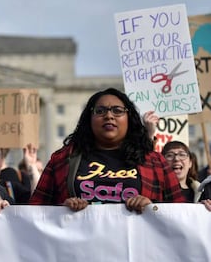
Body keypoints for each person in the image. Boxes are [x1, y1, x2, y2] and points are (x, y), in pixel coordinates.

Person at [29, 88, 185, 213]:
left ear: (129, 118)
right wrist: (61, 210)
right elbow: (35, 211)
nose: (109, 116)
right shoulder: (63, 159)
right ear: (89, 119)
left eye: (117, 111)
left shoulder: (154, 161)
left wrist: (152, 207)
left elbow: (181, 212)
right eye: (100, 111)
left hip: (138, 249)